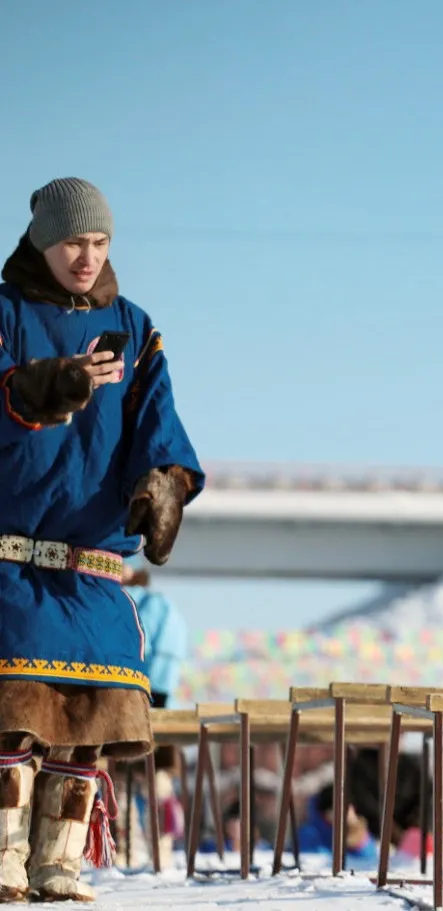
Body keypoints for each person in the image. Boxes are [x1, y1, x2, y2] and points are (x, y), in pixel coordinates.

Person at [0, 178, 203, 901]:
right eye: (71, 243)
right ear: (41, 242)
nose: (86, 257)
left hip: (92, 569)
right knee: (13, 718)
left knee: (82, 725)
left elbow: (159, 426)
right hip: (13, 562)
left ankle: (58, 856)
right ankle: (3, 851)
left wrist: (166, 484)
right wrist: (43, 385)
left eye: (98, 242)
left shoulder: (136, 327)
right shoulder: (5, 314)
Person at [122, 563, 188, 709]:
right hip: (152, 685)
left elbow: (146, 645)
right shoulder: (158, 604)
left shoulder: (155, 604)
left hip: (149, 687)